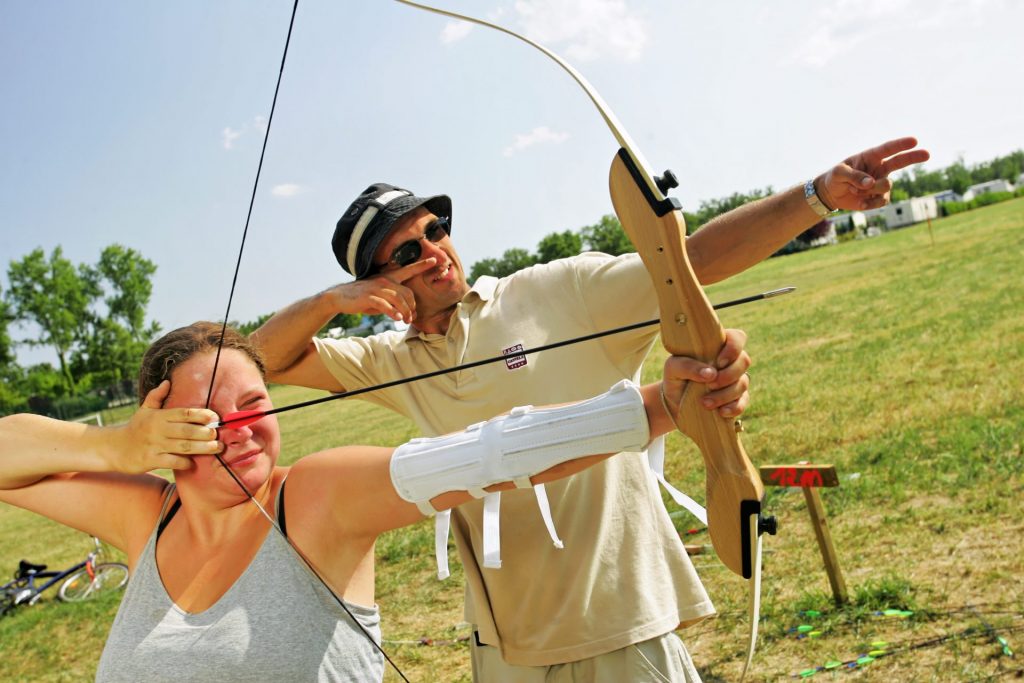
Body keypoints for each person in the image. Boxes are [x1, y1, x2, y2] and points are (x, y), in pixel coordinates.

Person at [251, 137, 929, 681]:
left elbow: (686, 263)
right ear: (375, 280)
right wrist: (328, 303)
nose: (434, 251)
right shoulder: (393, 362)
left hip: (619, 616)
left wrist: (816, 197)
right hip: (506, 642)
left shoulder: (554, 290)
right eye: (406, 251)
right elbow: (263, 359)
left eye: (436, 229)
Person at [0, 322, 750, 682]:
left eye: (254, 402)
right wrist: (113, 449)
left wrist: (658, 404)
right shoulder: (143, 514)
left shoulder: (314, 497)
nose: (240, 428)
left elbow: (480, 455)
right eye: (204, 414)